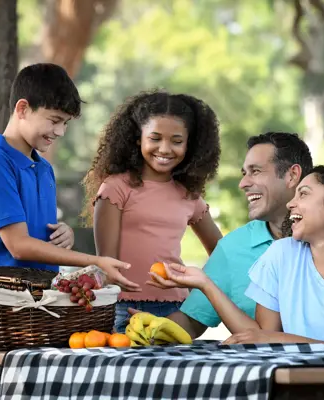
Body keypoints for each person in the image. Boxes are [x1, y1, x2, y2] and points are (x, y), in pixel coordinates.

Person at [0, 64, 140, 399]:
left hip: (35, 311)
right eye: (54, 120)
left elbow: (33, 233)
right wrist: (93, 260)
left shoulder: (44, 168)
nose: (60, 131)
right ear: (23, 108)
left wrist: (61, 233)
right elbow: (19, 245)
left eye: (65, 123)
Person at [153, 166, 324, 352]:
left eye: (304, 194)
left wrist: (285, 339)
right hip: (290, 379)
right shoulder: (281, 254)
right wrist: (205, 284)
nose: (290, 204)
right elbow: (261, 336)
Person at [142, 132, 313, 338]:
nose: (243, 184)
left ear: (292, 175)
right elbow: (192, 320)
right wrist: (147, 329)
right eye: (244, 174)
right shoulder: (233, 247)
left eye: (255, 171)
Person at [82, 90, 223, 332]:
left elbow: (222, 254)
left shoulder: (189, 195)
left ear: (190, 145)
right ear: (138, 138)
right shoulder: (116, 188)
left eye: (177, 141)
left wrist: (197, 288)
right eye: (155, 138)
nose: (165, 149)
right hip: (122, 308)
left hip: (177, 310)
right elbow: (107, 264)